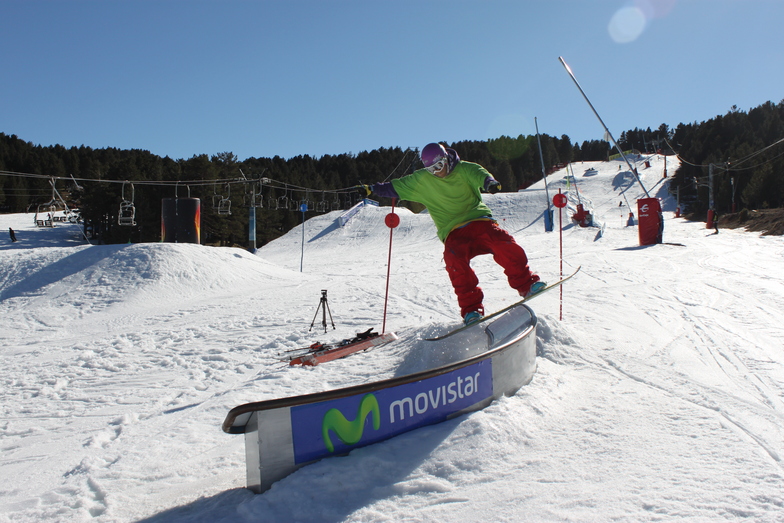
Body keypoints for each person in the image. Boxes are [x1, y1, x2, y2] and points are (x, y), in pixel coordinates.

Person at [358, 143, 543, 325]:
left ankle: (527, 284)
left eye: (439, 166)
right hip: (453, 230)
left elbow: (480, 174)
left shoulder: (463, 169)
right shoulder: (421, 180)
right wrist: (372, 189)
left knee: (502, 242)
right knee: (453, 259)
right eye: (431, 169)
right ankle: (471, 309)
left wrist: (489, 183)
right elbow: (394, 187)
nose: (437, 172)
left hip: (478, 219)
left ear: (446, 159)